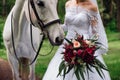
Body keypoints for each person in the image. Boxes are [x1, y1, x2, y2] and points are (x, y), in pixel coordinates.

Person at [43, 0, 111, 80]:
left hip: (85, 43)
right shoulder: (68, 4)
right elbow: (67, 26)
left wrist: (88, 44)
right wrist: (51, 28)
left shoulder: (91, 7)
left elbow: (95, 31)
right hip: (68, 42)